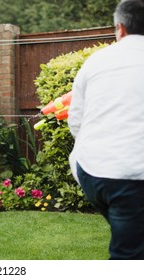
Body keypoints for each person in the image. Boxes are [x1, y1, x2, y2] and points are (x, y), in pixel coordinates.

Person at [68, 0, 144, 260]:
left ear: (120, 28)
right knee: (130, 254)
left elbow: (75, 122)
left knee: (131, 237)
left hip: (93, 171)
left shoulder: (95, 61)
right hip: (131, 177)